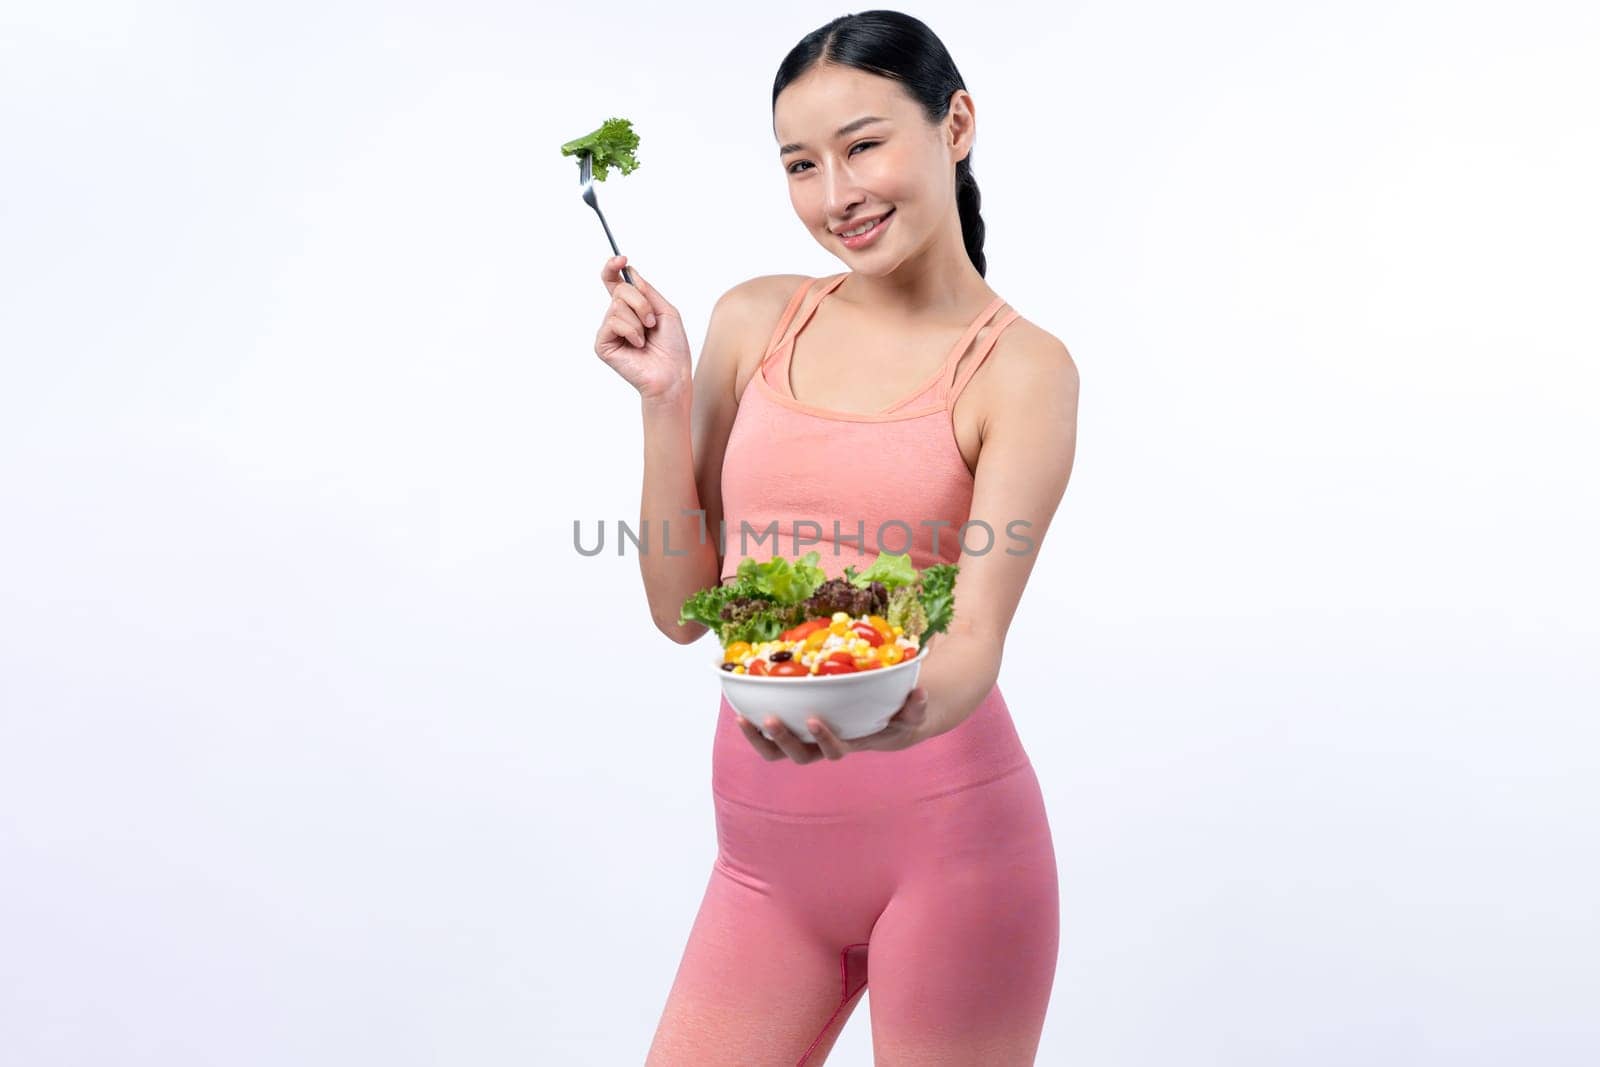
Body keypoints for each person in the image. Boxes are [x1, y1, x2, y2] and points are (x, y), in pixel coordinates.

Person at [591, 12, 1079, 1064]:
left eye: (863, 146)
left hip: (953, 854)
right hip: (763, 871)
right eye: (800, 165)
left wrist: (865, 714)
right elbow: (683, 612)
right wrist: (664, 400)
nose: (834, 197)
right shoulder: (755, 320)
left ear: (954, 125)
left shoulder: (1020, 370)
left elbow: (972, 644)